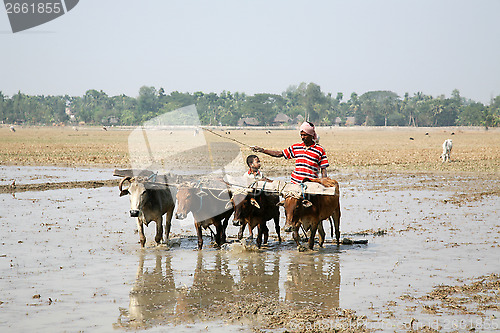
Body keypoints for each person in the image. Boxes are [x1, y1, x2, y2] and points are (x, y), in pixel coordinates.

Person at [252, 121, 329, 184]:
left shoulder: (319, 150)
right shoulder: (296, 147)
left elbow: (323, 169)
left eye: (305, 135)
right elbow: (280, 154)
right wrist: (262, 150)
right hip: (295, 182)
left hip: (312, 184)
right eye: (301, 135)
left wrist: (324, 182)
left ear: (311, 135)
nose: (302, 137)